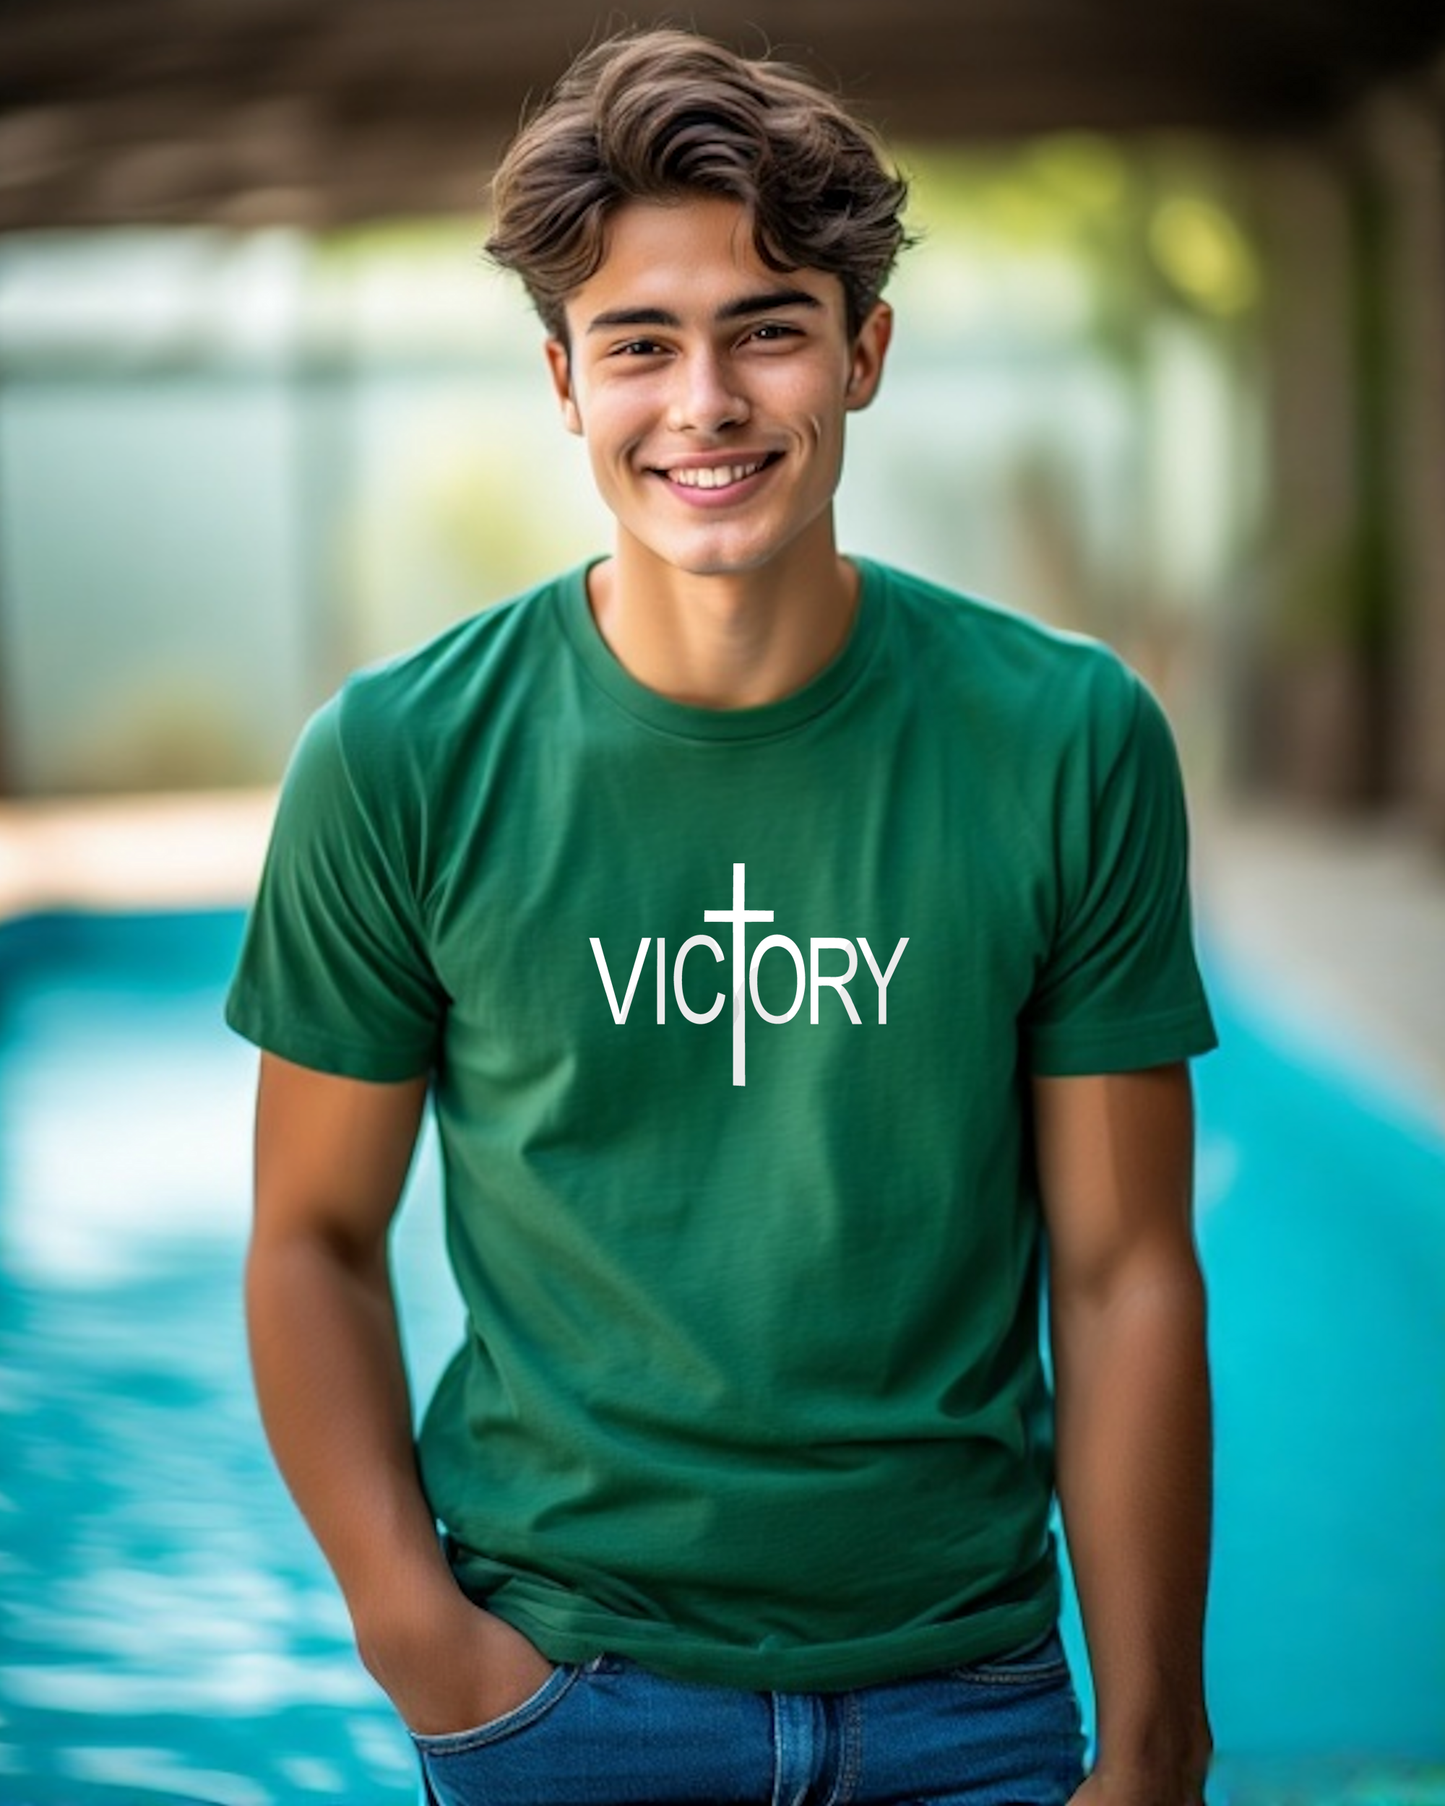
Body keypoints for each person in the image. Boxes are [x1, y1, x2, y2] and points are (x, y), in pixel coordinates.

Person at [227, 26, 1217, 1806]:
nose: (706, 401)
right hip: (564, 1697)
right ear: (564, 380)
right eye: (640, 343)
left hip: (971, 1699)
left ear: (865, 351)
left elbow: (1124, 1264)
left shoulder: (1067, 738)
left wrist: (1153, 1739)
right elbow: (309, 1237)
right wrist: (418, 1636)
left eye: (767, 329)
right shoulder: (399, 760)